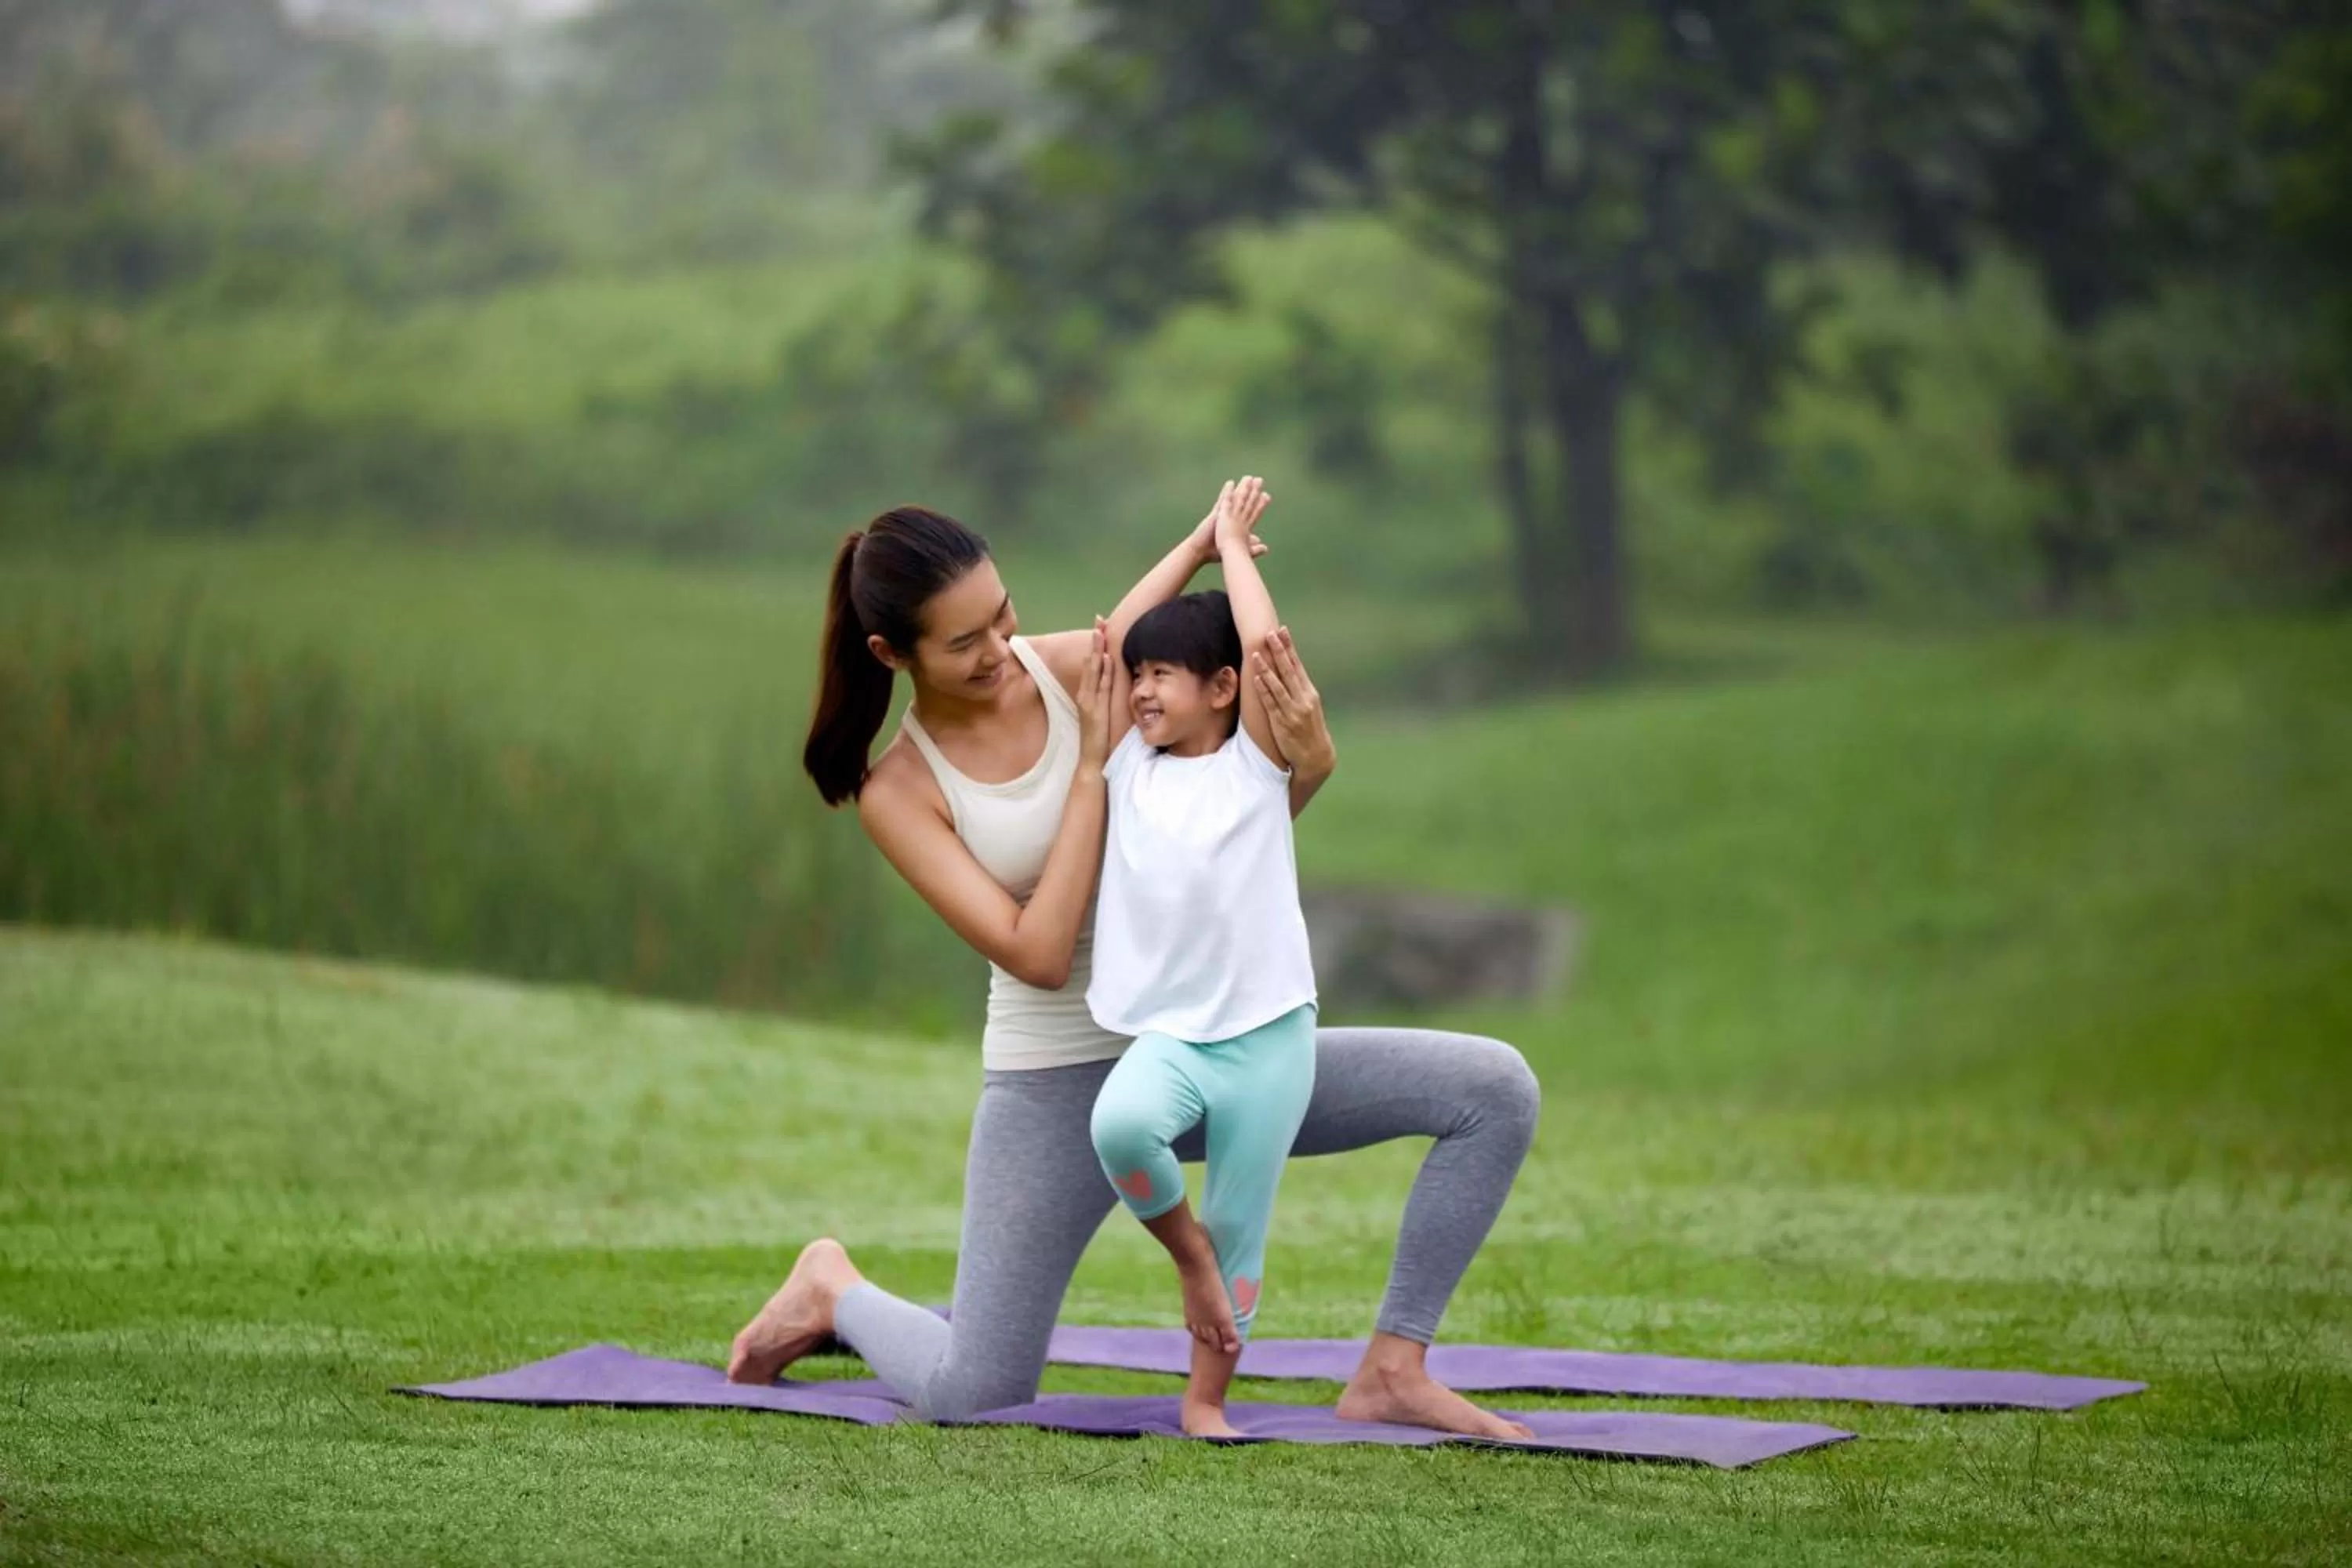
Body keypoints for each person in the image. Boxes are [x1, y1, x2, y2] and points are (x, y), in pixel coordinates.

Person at [730, 481, 1539, 1439]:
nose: (1004, 652)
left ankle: (1393, 1371)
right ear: (891, 654)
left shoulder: (1084, 668)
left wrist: (1221, 576)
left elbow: (1214, 820)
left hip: (1220, 1043)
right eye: (965, 643)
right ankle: (834, 1287)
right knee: (972, 1393)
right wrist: (1087, 772)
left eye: (1004, 616)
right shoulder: (901, 791)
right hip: (1060, 1083)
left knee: (1493, 1088)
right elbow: (1036, 952)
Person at [1085, 477, 1319, 1437]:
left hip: (1268, 1032)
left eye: (1166, 676)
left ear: (1222, 690)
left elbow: (1266, 652)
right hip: (1174, 1034)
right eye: (1142, 678)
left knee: (1241, 1222)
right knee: (1120, 1127)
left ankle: (1204, 1398)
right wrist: (1193, 545)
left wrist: (1235, 553)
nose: (1141, 687)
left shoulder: (1255, 768)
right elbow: (1112, 641)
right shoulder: (1126, 762)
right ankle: (1189, 1260)